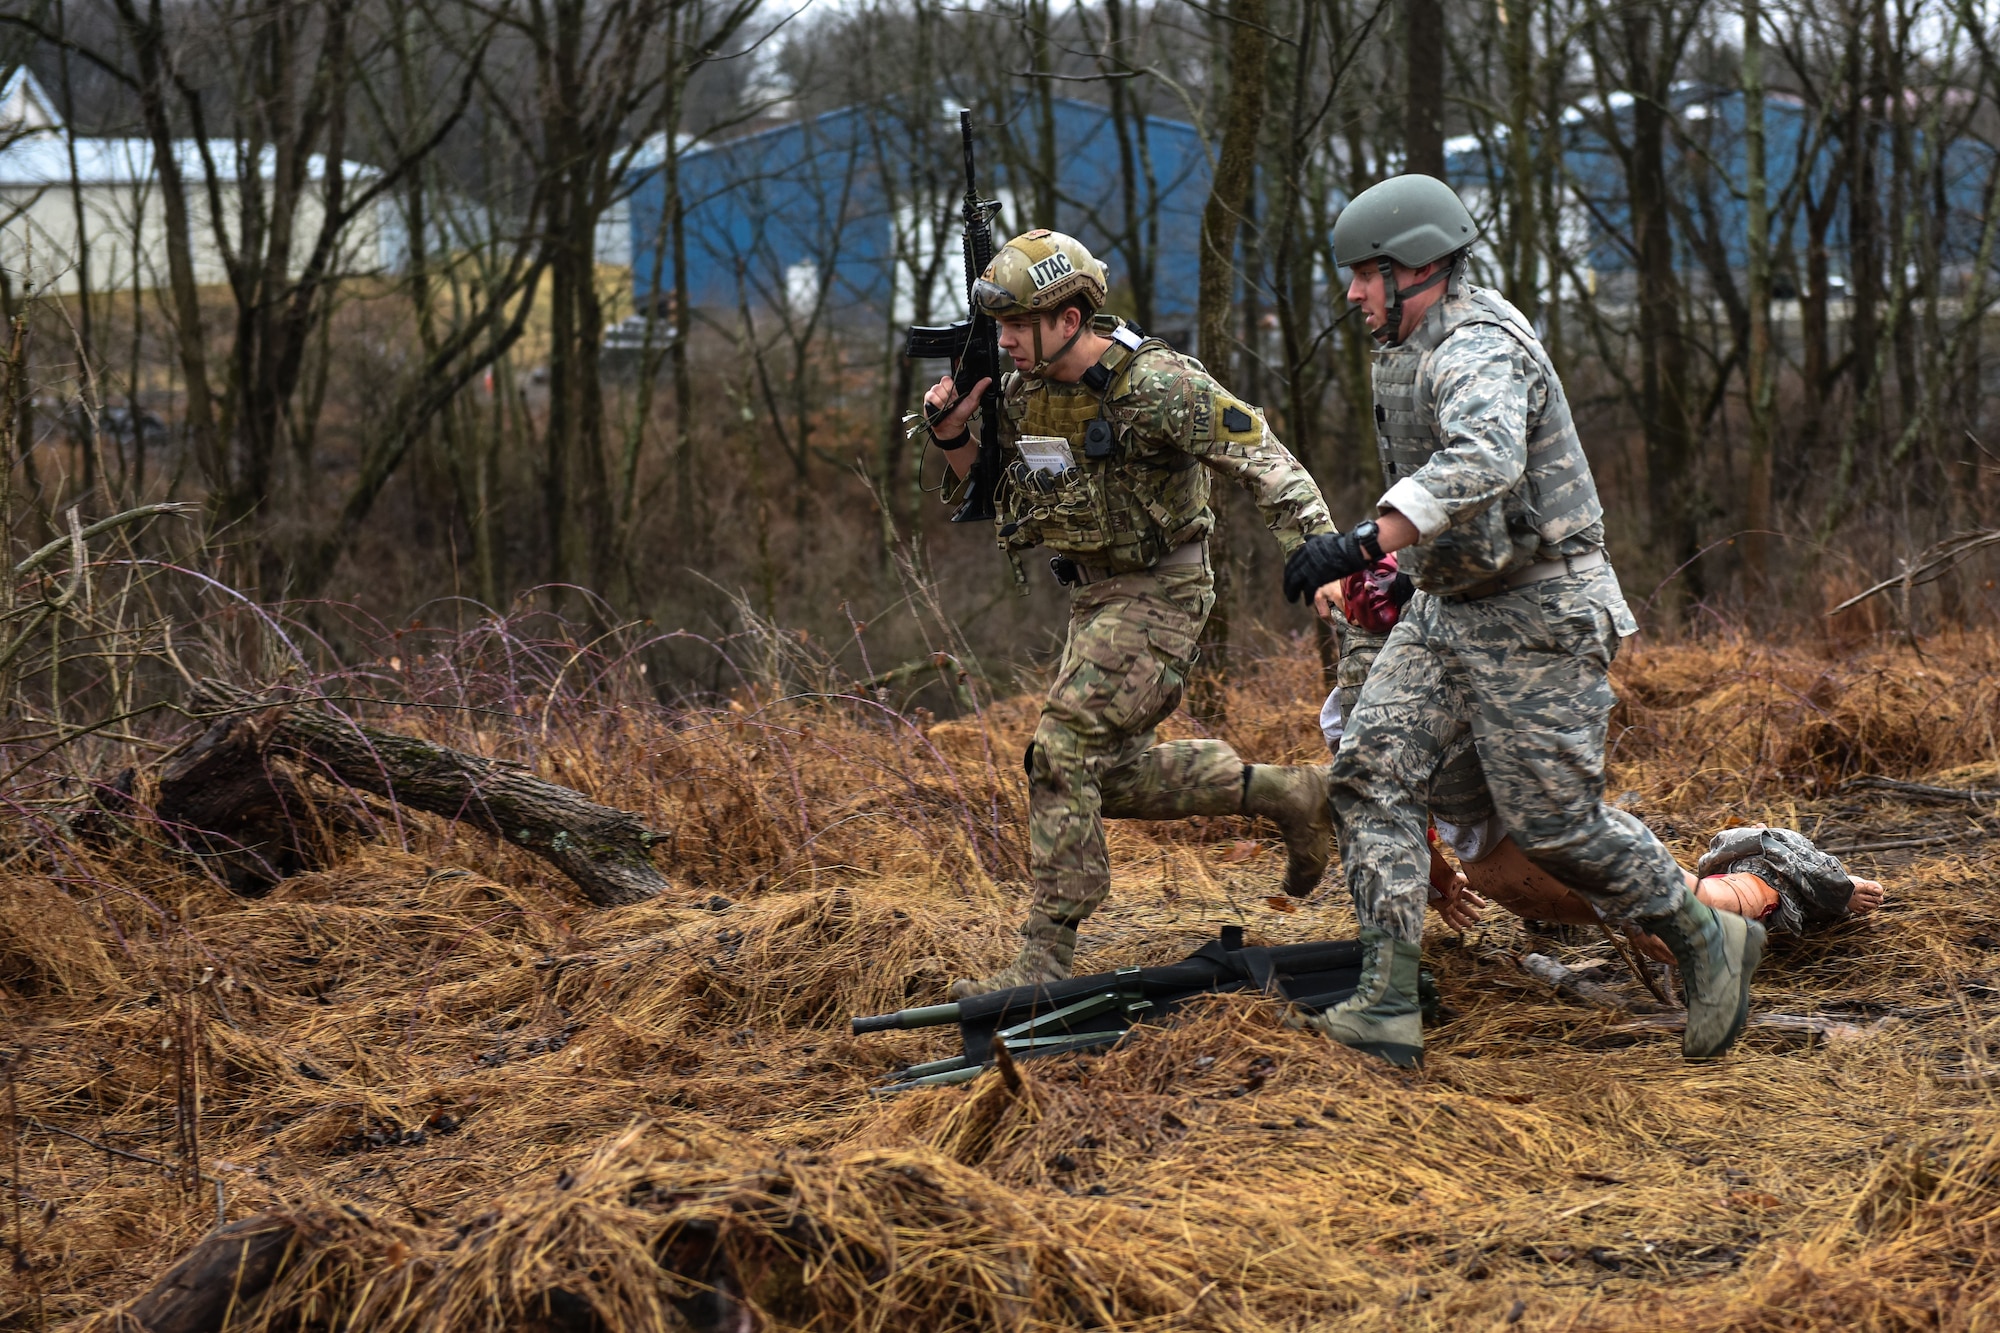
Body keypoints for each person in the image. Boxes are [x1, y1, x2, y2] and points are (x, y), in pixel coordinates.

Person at [1281, 175, 1764, 1068]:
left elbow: (1484, 459)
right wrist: (1391, 564)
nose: (1352, 294)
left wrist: (1361, 543)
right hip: (1448, 608)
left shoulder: (1480, 343)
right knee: (1370, 772)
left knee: (1556, 826)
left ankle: (1707, 938)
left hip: (1540, 607)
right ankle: (1387, 1002)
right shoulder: (1406, 341)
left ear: (1417, 267)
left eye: (1365, 274)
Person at [919, 229, 1337, 999]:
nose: (1002, 340)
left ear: (1069, 320)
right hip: (1097, 597)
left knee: (1062, 749)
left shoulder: (1157, 384)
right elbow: (995, 493)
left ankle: (1044, 960)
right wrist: (952, 432)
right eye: (999, 325)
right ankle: (1290, 793)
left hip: (1165, 592)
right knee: (1105, 776)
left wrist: (1321, 554)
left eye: (1017, 324)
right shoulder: (1022, 387)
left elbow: (1263, 454)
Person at [1317, 566, 1886, 948]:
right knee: (1697, 914)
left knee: (1685, 918)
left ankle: (1784, 886)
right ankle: (1805, 887)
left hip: (1506, 872)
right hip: (1541, 863)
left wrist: (1442, 885)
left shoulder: (1355, 708)